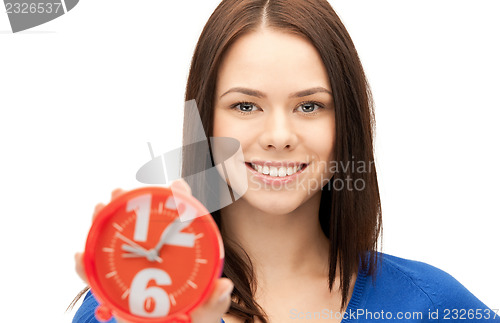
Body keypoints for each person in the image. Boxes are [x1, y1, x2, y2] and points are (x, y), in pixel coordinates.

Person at [71, 0, 500, 322]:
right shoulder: (127, 307)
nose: (279, 137)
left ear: (346, 123)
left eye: (310, 106)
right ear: (204, 121)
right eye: (245, 106)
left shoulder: (430, 305)